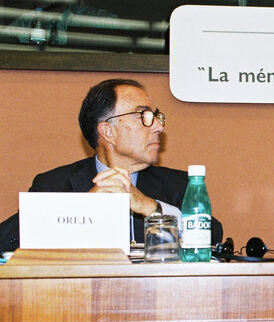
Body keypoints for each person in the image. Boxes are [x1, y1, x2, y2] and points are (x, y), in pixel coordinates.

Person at [0, 78, 223, 252]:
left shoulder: (178, 185)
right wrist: (80, 211)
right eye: (143, 115)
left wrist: (150, 207)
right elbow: (6, 242)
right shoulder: (55, 184)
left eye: (156, 116)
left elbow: (213, 236)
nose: (157, 126)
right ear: (108, 131)